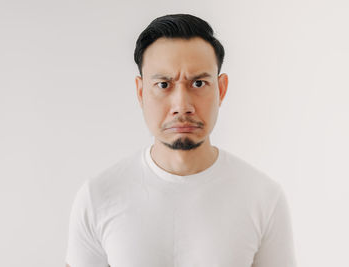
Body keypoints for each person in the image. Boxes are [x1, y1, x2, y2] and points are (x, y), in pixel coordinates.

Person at [65, 13, 297, 267]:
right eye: (164, 85)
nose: (182, 105)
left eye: (198, 83)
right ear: (141, 92)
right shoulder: (98, 197)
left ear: (221, 89)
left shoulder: (263, 198)